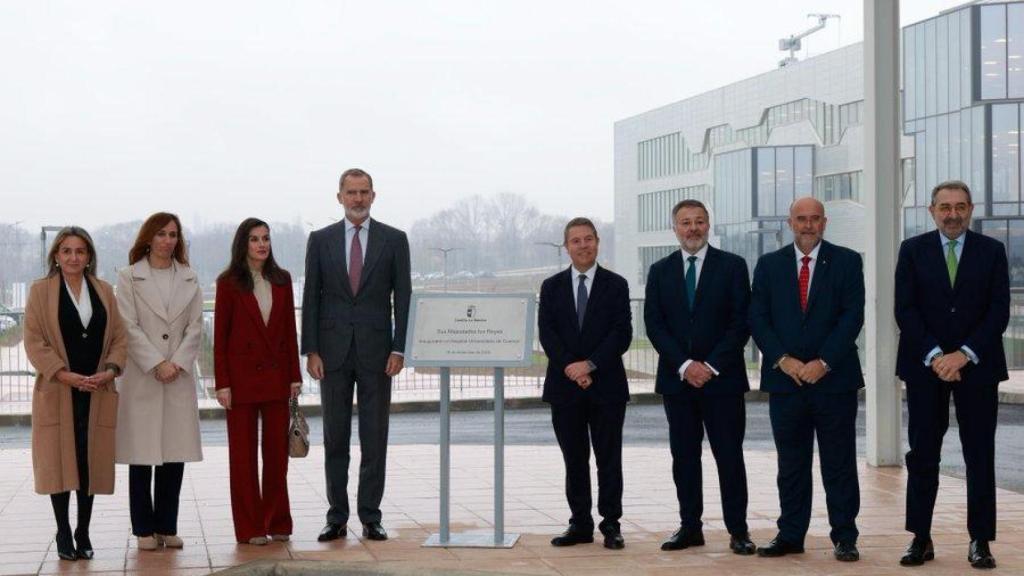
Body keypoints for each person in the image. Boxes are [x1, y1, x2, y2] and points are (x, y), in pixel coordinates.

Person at [895, 181, 1008, 570]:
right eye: (945, 207)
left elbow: (998, 311)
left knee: (980, 455)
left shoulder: (992, 251)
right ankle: (920, 538)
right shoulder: (912, 251)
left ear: (971, 209)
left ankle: (980, 541)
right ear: (932, 211)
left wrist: (963, 355)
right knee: (922, 454)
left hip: (977, 367)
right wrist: (936, 356)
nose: (953, 214)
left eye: (960, 206)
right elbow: (905, 309)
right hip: (925, 368)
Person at [748, 197, 864, 562]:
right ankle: (791, 534)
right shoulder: (769, 266)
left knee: (839, 463)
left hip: (834, 381)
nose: (808, 225)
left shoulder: (847, 261)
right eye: (801, 219)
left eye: (815, 219)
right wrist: (783, 360)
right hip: (787, 382)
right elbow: (758, 318)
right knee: (791, 464)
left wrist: (824, 361)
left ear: (825, 223)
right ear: (790, 222)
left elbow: (852, 316)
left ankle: (845, 536)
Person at [302, 168, 411, 542]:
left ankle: (370, 516)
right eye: (351, 192)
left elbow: (404, 296)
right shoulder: (320, 240)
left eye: (364, 192)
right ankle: (336, 516)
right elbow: (311, 297)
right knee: (335, 437)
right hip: (331, 354)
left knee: (374, 436)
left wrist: (400, 347)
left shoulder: (395, 240)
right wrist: (311, 349)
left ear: (374, 196)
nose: (358, 199)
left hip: (378, 354)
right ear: (339, 197)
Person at [644, 199, 755, 555]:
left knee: (729, 457)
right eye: (685, 222)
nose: (693, 228)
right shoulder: (659, 270)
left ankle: (738, 530)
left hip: (722, 381)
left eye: (699, 221)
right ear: (674, 228)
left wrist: (708, 366)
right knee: (684, 458)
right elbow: (654, 324)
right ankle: (690, 527)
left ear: (709, 225)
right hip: (678, 383)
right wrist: (684, 366)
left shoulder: (733, 267)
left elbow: (741, 322)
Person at [23, 226, 127, 561]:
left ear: (89, 257)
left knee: (88, 462)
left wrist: (110, 370)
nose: (73, 257)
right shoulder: (41, 292)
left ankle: (83, 530)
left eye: (80, 251)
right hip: (58, 390)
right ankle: (63, 531)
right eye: (66, 251)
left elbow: (119, 338)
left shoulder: (104, 291)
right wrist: (65, 375)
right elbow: (34, 340)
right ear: (56, 255)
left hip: (96, 389)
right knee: (59, 464)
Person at [538, 217, 632, 550]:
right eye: (576, 240)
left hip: (606, 387)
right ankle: (580, 523)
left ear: (597, 242)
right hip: (565, 388)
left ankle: (611, 524)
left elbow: (621, 334)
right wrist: (572, 368)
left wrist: (589, 365)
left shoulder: (617, 285)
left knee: (609, 458)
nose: (583, 245)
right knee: (574, 459)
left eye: (588, 239)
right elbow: (547, 334)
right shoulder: (550, 287)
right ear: (567, 247)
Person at [115, 213, 204, 551]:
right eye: (162, 234)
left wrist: (177, 363)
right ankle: (143, 530)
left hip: (177, 378)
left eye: (173, 234)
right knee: (141, 456)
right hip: (143, 377)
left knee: (173, 455)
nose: (168, 240)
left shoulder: (190, 278)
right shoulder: (128, 277)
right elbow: (128, 325)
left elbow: (195, 327)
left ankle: (167, 526)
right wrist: (156, 363)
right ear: (148, 238)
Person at [214, 218, 302, 545]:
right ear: (243, 244)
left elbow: (289, 332)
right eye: (254, 239)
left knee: (277, 457)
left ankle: (278, 520)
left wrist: (294, 376)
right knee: (243, 459)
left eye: (266, 238)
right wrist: (223, 384)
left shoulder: (282, 280)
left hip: (278, 379)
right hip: (240, 383)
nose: (262, 244)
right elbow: (220, 338)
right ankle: (250, 527)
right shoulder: (228, 283)